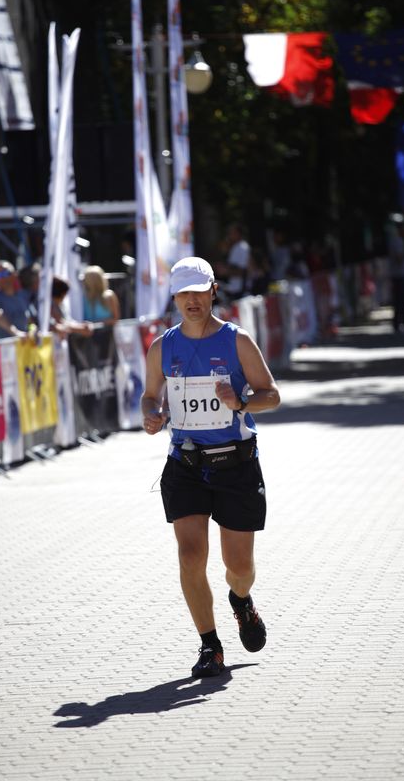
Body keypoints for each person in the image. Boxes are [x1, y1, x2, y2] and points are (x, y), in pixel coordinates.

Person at [141, 256, 280, 678]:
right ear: (174, 298)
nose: (192, 300)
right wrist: (151, 414)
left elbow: (271, 394)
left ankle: (241, 600)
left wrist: (241, 401)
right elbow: (150, 395)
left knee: (239, 568)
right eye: (183, 293)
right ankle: (210, 645)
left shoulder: (237, 341)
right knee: (190, 555)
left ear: (213, 291)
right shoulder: (163, 346)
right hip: (185, 464)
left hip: (235, 464)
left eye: (199, 292)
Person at [0, 260, 35, 339]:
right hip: (4, 345)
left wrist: (32, 331)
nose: (2, 278)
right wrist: (16, 333)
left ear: (14, 274)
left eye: (5, 273)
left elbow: (30, 322)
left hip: (24, 344)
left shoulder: (23, 296)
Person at [387, 216, 404, 333]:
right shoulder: (397, 241)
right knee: (401, 301)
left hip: (401, 274)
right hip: (399, 275)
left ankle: (399, 323)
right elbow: (399, 259)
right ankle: (402, 323)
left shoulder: (399, 241)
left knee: (401, 301)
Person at [215, 223, 251, 301]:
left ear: (238, 233)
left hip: (241, 291)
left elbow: (244, 271)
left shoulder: (243, 248)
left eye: (232, 233)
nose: (230, 235)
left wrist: (226, 271)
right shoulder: (235, 247)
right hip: (232, 289)